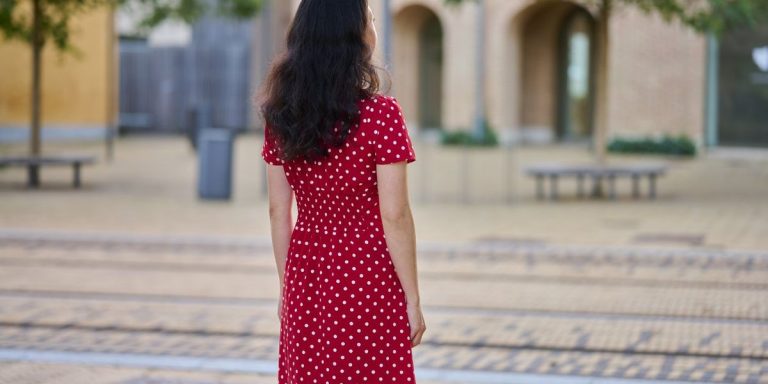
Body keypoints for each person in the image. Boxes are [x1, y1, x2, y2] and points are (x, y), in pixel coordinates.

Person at [255, 0, 426, 382]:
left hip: (307, 274)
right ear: (357, 37)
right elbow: (395, 215)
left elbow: (277, 212)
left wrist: (289, 287)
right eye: (370, 20)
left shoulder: (281, 116)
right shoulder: (381, 116)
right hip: (368, 274)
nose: (374, 27)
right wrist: (412, 297)